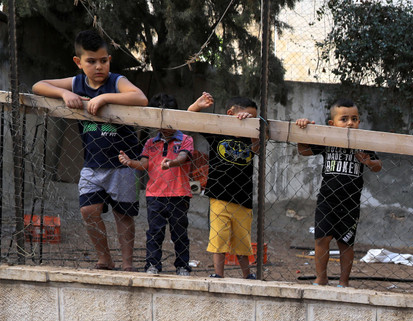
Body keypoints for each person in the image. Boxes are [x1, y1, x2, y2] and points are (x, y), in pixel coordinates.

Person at [31, 29, 148, 271]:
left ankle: (127, 264)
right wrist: (64, 93)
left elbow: (141, 98)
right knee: (88, 209)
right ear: (78, 62)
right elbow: (38, 86)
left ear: (109, 60)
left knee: (123, 216)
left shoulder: (117, 82)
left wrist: (105, 98)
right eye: (91, 61)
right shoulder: (77, 83)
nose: (98, 67)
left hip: (124, 163)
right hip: (92, 164)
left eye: (103, 61)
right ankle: (104, 257)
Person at [295, 99, 382, 287]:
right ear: (332, 124)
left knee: (346, 243)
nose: (350, 122)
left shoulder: (363, 143)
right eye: (344, 119)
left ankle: (344, 281)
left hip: (350, 203)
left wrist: (368, 161)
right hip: (327, 200)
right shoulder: (328, 140)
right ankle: (321, 278)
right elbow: (303, 151)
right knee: (321, 239)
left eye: (354, 119)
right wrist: (302, 131)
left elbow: (378, 166)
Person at [118, 93, 193, 276]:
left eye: (167, 121)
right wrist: (130, 162)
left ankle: (182, 266)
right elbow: (144, 164)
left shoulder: (185, 139)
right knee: (154, 232)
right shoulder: (151, 143)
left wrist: (172, 162)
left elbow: (184, 157)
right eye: (159, 122)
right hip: (154, 195)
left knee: (179, 233)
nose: (164, 127)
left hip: (179, 194)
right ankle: (152, 265)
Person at [187, 92, 259, 279]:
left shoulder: (250, 138)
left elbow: (259, 145)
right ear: (230, 114)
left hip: (243, 199)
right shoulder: (218, 133)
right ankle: (218, 274)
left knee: (243, 241)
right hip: (219, 196)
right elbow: (190, 118)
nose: (248, 121)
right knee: (218, 238)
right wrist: (197, 105)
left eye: (253, 119)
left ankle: (247, 275)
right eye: (246, 116)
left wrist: (254, 129)